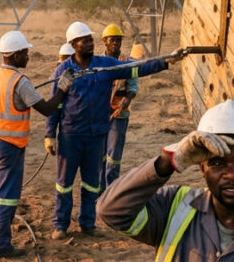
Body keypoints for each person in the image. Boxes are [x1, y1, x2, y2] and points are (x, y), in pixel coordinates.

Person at [44, 21, 181, 240]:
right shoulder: (63, 71)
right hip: (71, 136)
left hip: (97, 134)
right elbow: (55, 104)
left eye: (90, 39)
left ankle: (87, 223)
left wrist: (165, 61)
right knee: (64, 183)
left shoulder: (105, 65)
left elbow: (136, 67)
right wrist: (50, 134)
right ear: (73, 44)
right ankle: (60, 224)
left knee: (91, 183)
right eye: (84, 40)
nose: (90, 43)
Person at [98, 99, 234, 262]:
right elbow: (111, 210)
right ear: (202, 169)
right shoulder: (176, 207)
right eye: (217, 162)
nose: (230, 174)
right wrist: (168, 161)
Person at [0, 30, 73, 259]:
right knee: (5, 196)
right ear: (15, 55)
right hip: (9, 145)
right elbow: (47, 109)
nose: (28, 57)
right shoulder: (20, 82)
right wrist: (63, 88)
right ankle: (0, 246)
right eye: (25, 53)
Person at [99, 24, 139, 192]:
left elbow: (133, 87)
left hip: (119, 115)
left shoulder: (130, 63)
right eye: (112, 40)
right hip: (100, 115)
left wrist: (126, 101)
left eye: (118, 39)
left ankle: (111, 192)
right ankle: (99, 192)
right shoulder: (97, 63)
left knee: (113, 158)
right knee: (99, 157)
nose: (116, 43)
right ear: (104, 42)